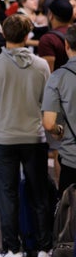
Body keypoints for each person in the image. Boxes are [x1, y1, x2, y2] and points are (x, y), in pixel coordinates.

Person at [0, 14, 53, 257]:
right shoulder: (42, 66)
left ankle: (13, 252)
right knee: (40, 196)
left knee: (7, 197)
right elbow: (47, 104)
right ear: (27, 34)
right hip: (35, 138)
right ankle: (44, 251)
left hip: (3, 139)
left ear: (4, 34)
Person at [42, 25, 76, 196]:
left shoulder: (58, 77)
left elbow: (49, 124)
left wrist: (58, 131)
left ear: (66, 45)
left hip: (72, 159)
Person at [39, 0, 73, 72]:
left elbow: (48, 72)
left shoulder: (48, 39)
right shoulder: (74, 32)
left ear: (51, 15)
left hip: (61, 79)